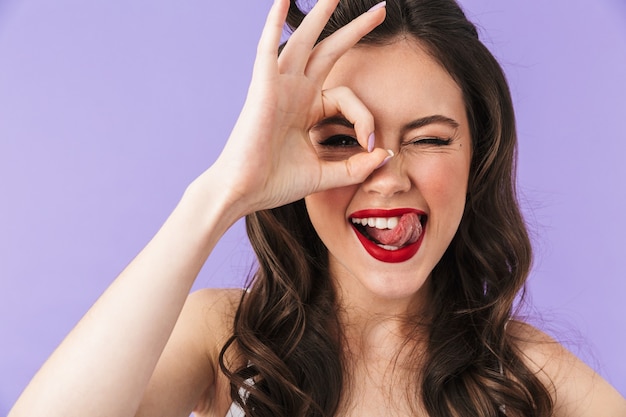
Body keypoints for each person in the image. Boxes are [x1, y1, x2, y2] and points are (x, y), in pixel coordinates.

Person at [8, 0, 626, 416]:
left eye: (429, 138)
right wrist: (222, 191)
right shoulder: (224, 338)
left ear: (478, 157)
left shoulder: (528, 375)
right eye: (341, 140)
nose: (386, 178)